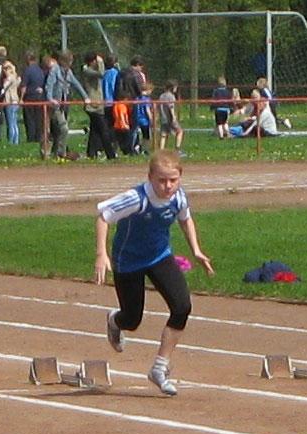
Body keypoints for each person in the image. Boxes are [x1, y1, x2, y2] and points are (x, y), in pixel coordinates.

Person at [94, 150, 214, 396]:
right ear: (150, 177)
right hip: (128, 261)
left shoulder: (178, 197)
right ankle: (115, 320)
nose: (167, 186)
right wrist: (101, 254)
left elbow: (185, 219)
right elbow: (103, 217)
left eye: (173, 180)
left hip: (159, 256)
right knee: (132, 320)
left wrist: (196, 249)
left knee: (182, 306)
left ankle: (159, 367)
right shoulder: (136, 198)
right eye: (161, 180)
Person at [44, 50, 89, 160]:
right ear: (63, 61)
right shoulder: (55, 70)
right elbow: (49, 86)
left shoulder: (68, 72)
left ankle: (57, 152)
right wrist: (50, 99)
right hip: (54, 106)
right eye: (69, 61)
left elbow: (76, 84)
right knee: (63, 128)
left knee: (58, 130)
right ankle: (60, 152)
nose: (70, 64)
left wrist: (85, 97)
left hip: (63, 105)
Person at [81, 52, 116, 160]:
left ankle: (91, 153)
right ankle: (111, 154)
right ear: (92, 61)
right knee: (104, 130)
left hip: (98, 104)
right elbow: (101, 74)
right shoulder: (87, 70)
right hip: (93, 106)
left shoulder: (91, 71)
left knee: (95, 131)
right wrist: (101, 62)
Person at [20, 51, 45, 143]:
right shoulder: (40, 70)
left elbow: (24, 86)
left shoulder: (27, 71)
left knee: (29, 119)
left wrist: (21, 99)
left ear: (28, 59)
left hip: (29, 98)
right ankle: (38, 138)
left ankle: (31, 138)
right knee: (38, 119)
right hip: (39, 98)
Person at [158, 79, 184, 155]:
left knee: (163, 134)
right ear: (172, 87)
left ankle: (161, 151)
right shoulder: (171, 96)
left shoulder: (161, 96)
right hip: (170, 118)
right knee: (180, 131)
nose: (176, 89)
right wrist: (173, 117)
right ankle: (177, 149)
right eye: (175, 87)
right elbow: (171, 107)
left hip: (163, 118)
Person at [0, 60, 21, 145]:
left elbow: (4, 87)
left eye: (5, 69)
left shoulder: (9, 78)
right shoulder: (16, 78)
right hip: (16, 100)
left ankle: (11, 141)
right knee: (14, 122)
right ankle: (16, 140)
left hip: (10, 101)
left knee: (11, 122)